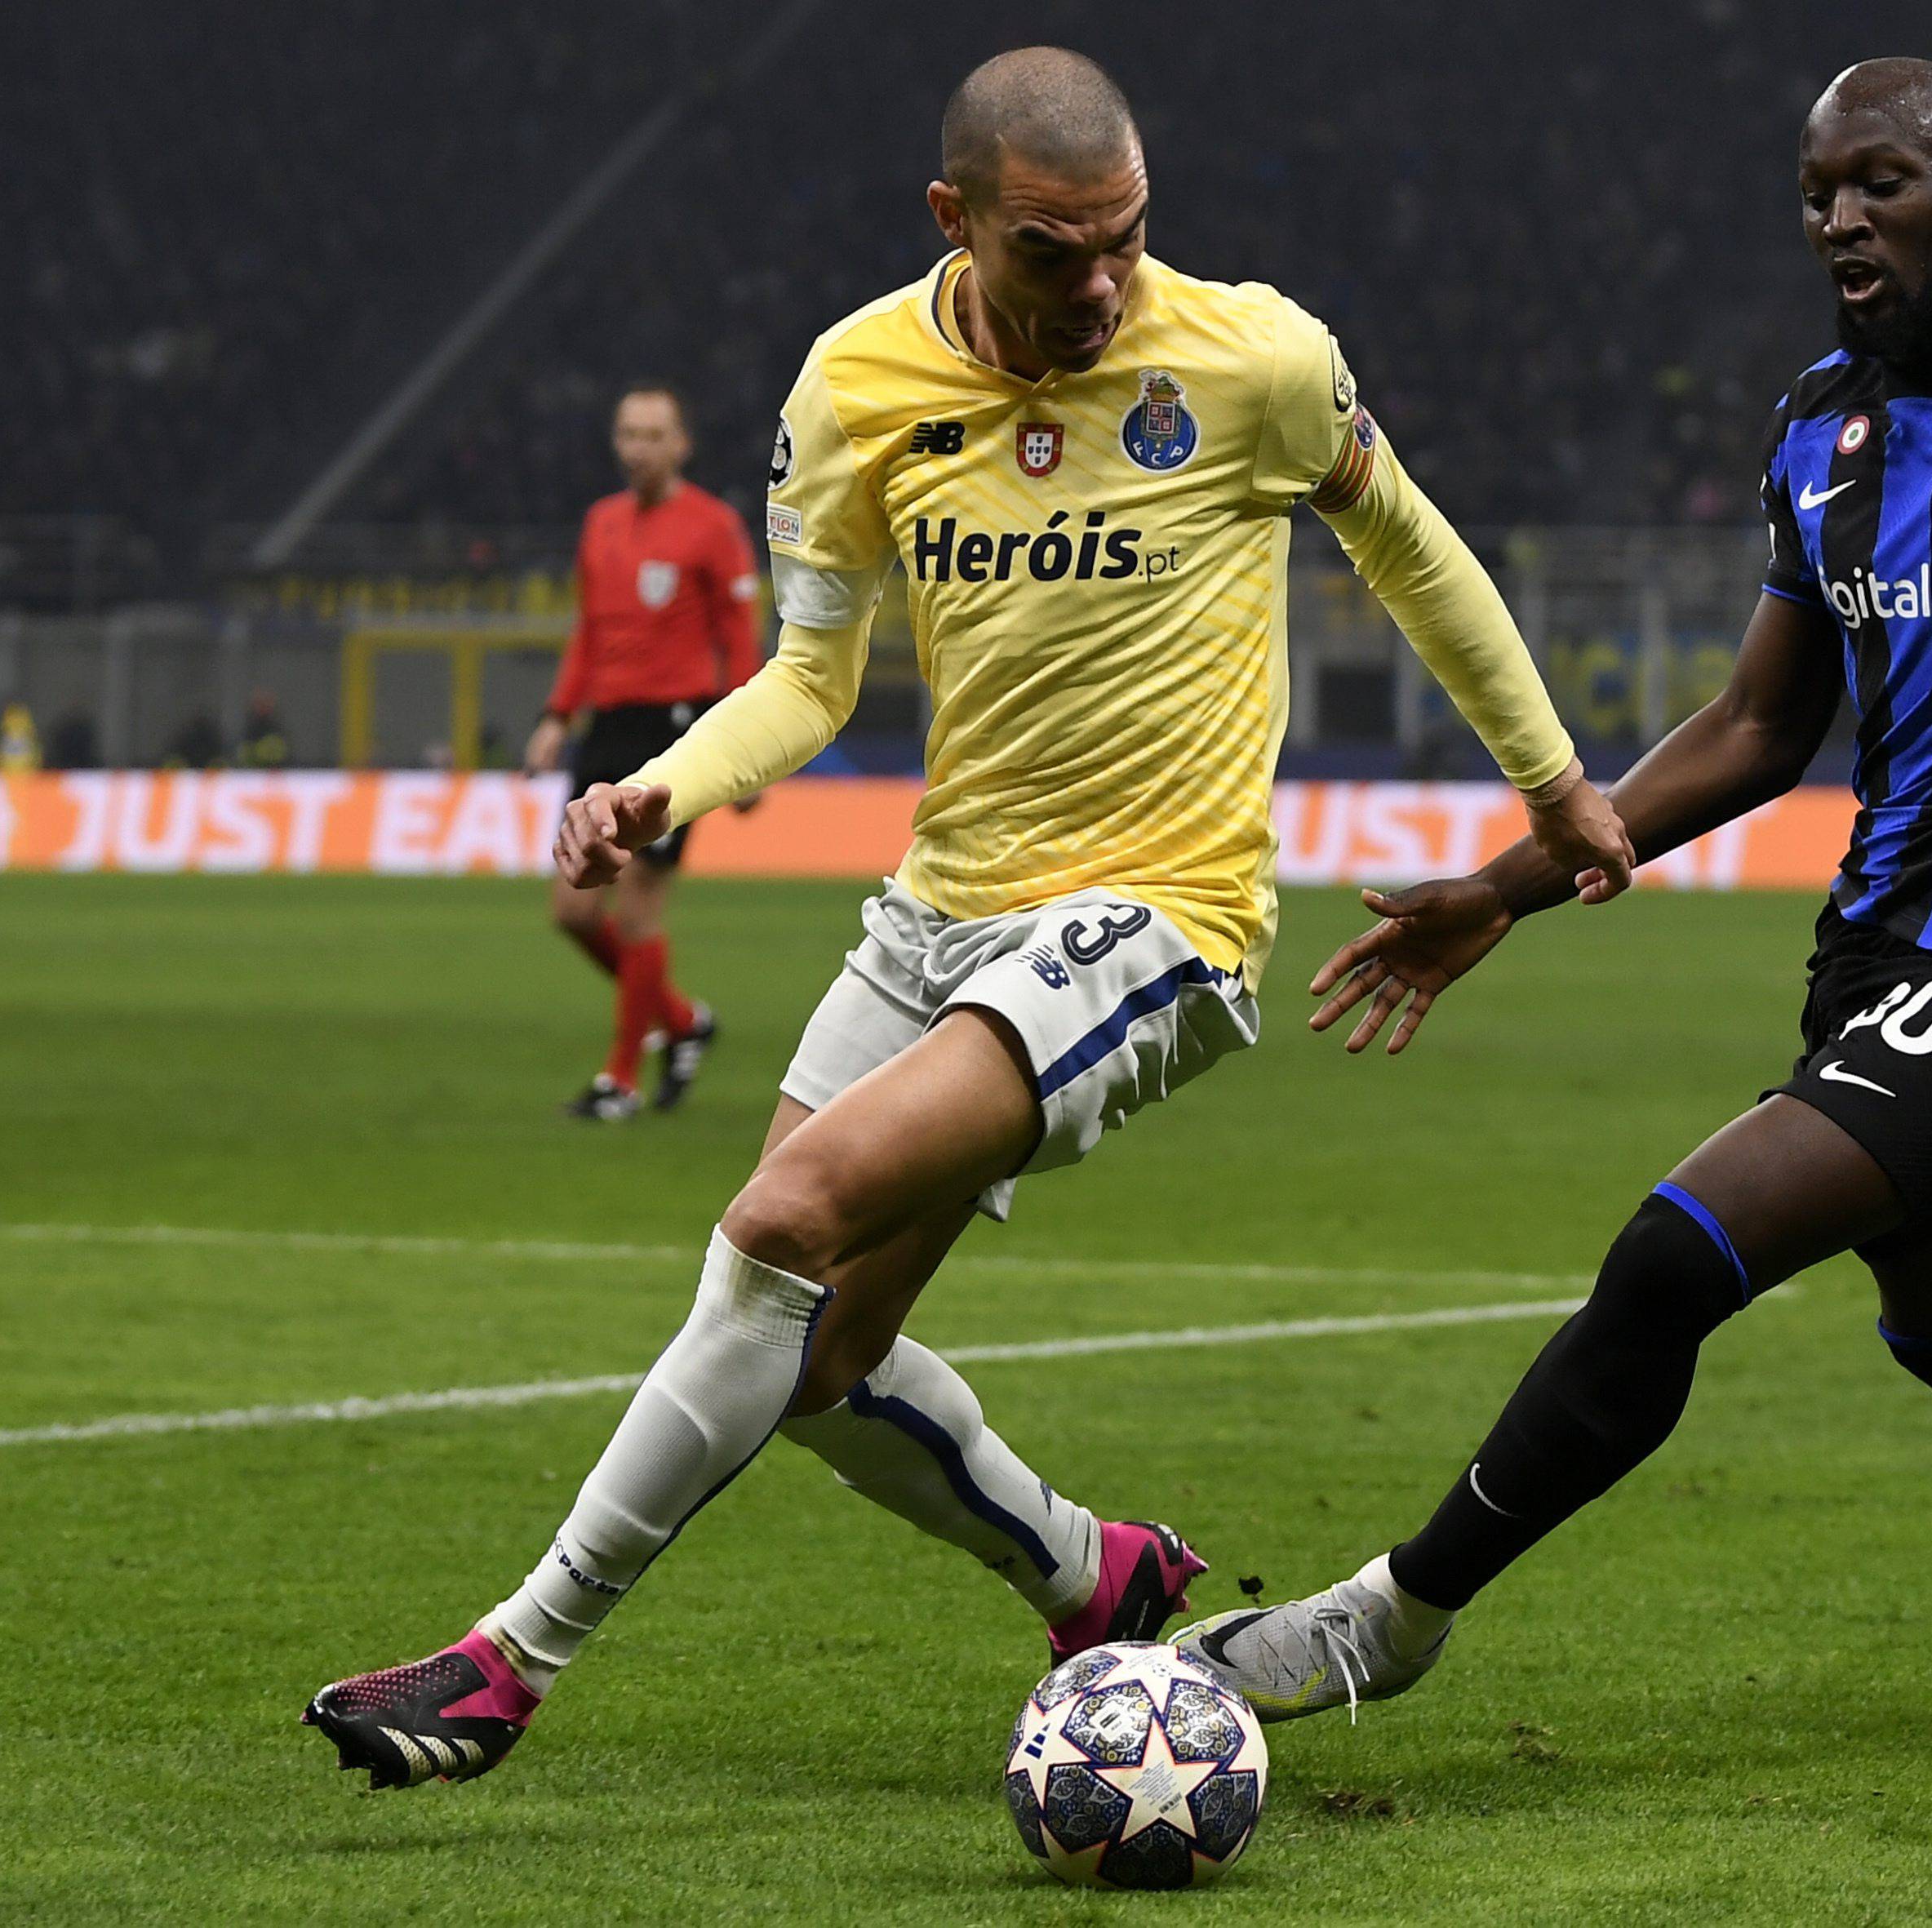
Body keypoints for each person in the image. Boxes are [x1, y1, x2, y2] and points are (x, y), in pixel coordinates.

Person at [301, 46, 1630, 1790]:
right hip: (941, 909)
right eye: (1052, 250)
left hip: (1160, 915)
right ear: (954, 219)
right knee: (818, 1349)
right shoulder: (855, 384)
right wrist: (668, 789)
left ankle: (506, 1660)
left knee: (780, 1216)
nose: (1100, 285)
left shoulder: (1256, 359)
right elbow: (807, 671)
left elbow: (1413, 551)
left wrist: (1549, 785)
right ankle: (1094, 1573)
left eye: (1125, 240)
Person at [1179, 58, 1932, 1727]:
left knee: (1677, 1252)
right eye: (1820, 189)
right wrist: (1503, 885)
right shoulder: (1815, 426)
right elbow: (1762, 724)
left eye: (1881, 181)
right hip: (1876, 950)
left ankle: (1386, 1614)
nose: (1839, 215)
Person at [525, 383, 764, 1121]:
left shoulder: (714, 527)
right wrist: (557, 716)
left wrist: (748, 743)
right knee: (571, 910)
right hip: (609, 730)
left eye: (654, 435)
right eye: (628, 433)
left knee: (636, 913)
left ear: (681, 444)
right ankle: (683, 1021)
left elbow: (739, 641)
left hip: (676, 732)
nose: (639, 448)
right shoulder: (600, 524)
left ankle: (620, 1081)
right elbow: (589, 633)